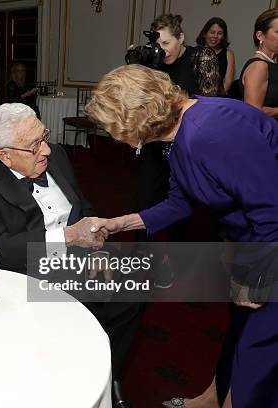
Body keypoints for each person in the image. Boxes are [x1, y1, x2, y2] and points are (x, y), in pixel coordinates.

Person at [86, 64, 278, 408]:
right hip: (254, 240)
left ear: (135, 117)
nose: (113, 136)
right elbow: (179, 202)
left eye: (112, 126)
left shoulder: (210, 132)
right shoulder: (180, 132)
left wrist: (258, 277)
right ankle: (215, 399)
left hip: (271, 242)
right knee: (239, 332)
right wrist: (117, 224)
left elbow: (272, 211)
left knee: (259, 352)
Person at [0, 103, 144, 408]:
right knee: (79, 314)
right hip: (29, 270)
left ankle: (106, 376)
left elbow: (81, 205)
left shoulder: (54, 155)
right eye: (34, 145)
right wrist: (69, 237)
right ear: (5, 155)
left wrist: (95, 238)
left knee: (131, 293)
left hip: (79, 254)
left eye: (44, 136)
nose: (46, 149)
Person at [134, 13, 221, 288]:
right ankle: (145, 262)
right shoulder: (152, 59)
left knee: (179, 205)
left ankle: (174, 263)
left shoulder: (201, 58)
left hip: (184, 144)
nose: (163, 49)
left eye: (168, 42)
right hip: (154, 142)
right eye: (158, 43)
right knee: (144, 200)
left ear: (181, 38)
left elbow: (209, 103)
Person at [240, 8, 278, 118]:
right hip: (266, 133)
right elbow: (253, 112)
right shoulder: (259, 66)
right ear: (260, 36)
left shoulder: (272, 63)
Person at [196, 17, 235, 94]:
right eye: (212, 32)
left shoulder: (228, 54)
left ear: (223, 36)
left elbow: (228, 82)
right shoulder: (195, 53)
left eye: (219, 33)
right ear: (204, 34)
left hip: (218, 98)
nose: (215, 36)